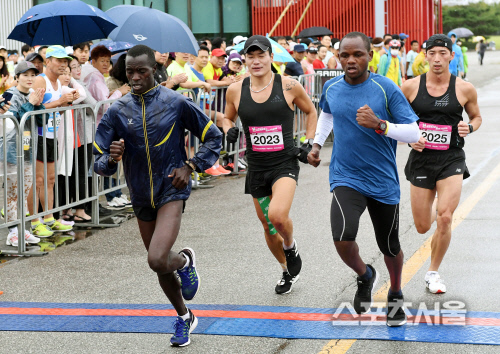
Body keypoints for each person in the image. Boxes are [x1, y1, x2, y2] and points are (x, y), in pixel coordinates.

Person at [94, 44, 222, 347]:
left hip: (171, 189)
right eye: (130, 72)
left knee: (156, 257)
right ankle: (184, 315)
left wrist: (190, 166)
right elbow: (98, 162)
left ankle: (183, 263)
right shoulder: (117, 109)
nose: (135, 77)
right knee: (159, 264)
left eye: (142, 71)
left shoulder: (175, 102)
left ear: (154, 70)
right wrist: (111, 159)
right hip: (140, 194)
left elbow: (213, 137)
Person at [308, 31, 420, 327]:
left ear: (370, 55)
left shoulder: (385, 89)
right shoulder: (331, 87)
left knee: (390, 246)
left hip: (382, 180)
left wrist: (381, 125)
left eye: (357, 54)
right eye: (345, 55)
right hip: (346, 175)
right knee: (342, 237)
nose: (350, 60)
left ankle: (395, 291)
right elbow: (328, 115)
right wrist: (317, 144)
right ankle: (365, 275)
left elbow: (414, 133)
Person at [223, 35, 317, 294]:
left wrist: (309, 141)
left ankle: (290, 246)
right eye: (250, 56)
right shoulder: (235, 89)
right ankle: (286, 270)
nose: (256, 61)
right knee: (267, 224)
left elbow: (310, 111)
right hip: (256, 166)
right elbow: (226, 118)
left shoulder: (288, 86)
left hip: (284, 163)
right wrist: (229, 129)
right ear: (244, 59)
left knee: (276, 215)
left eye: (261, 55)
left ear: (271, 58)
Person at [401, 34, 482, 294]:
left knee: (445, 218)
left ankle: (433, 272)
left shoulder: (464, 88)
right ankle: (435, 206)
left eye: (442, 53)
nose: (437, 58)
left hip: (451, 158)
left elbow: (477, 117)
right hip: (422, 161)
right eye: (432, 53)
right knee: (424, 225)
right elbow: (396, 121)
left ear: (451, 56)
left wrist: (468, 127)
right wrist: (410, 138)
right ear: (425, 55)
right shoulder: (410, 87)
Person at [30, 45, 79, 236]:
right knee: (38, 180)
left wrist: (66, 101)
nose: (63, 64)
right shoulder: (40, 81)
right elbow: (33, 110)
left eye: (65, 61)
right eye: (59, 60)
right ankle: (35, 220)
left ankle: (49, 218)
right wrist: (60, 102)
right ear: (47, 61)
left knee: (50, 179)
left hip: (51, 135)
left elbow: (54, 111)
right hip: (37, 136)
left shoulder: (58, 83)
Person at [83, 45, 130, 210]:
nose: (105, 64)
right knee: (102, 162)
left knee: (108, 160)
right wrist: (120, 92)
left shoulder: (95, 76)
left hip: (101, 126)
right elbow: (103, 105)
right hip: (99, 126)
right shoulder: (95, 77)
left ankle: (113, 194)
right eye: (102, 61)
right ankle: (107, 197)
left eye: (108, 61)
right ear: (93, 61)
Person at [2, 61, 44, 247]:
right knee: (12, 193)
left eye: (33, 75)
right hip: (11, 151)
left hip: (28, 149)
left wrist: (38, 105)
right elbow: (12, 122)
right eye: (25, 75)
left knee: (24, 192)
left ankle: (22, 229)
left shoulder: (32, 94)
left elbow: (41, 122)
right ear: (16, 77)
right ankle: (12, 232)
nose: (29, 78)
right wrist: (30, 104)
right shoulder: (9, 94)